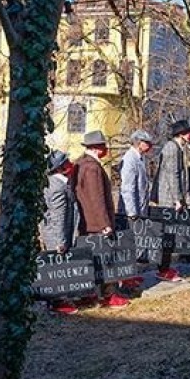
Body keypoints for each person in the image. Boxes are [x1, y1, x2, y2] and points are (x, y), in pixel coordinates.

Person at [72, 130, 129, 309]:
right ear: (97, 148)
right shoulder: (92, 167)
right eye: (104, 146)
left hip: (85, 221)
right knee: (105, 258)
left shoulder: (79, 163)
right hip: (96, 223)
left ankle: (88, 294)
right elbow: (96, 197)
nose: (106, 149)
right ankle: (108, 295)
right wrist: (105, 223)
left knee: (90, 261)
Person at [150, 119, 190, 282]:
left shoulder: (180, 148)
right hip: (168, 198)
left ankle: (166, 266)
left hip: (173, 197)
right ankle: (163, 269)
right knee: (167, 235)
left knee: (171, 235)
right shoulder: (171, 148)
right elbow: (172, 174)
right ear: (181, 134)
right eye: (188, 132)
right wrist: (177, 199)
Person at [39, 150, 79, 315]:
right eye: (67, 161)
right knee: (57, 268)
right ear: (60, 167)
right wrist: (60, 241)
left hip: (59, 232)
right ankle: (57, 301)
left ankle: (59, 300)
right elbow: (58, 215)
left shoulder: (59, 183)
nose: (70, 163)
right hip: (57, 235)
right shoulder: (57, 187)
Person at [118, 129, 153, 219]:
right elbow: (128, 187)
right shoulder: (130, 159)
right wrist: (131, 212)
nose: (149, 145)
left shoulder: (140, 158)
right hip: (131, 213)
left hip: (140, 210)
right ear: (138, 143)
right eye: (146, 142)